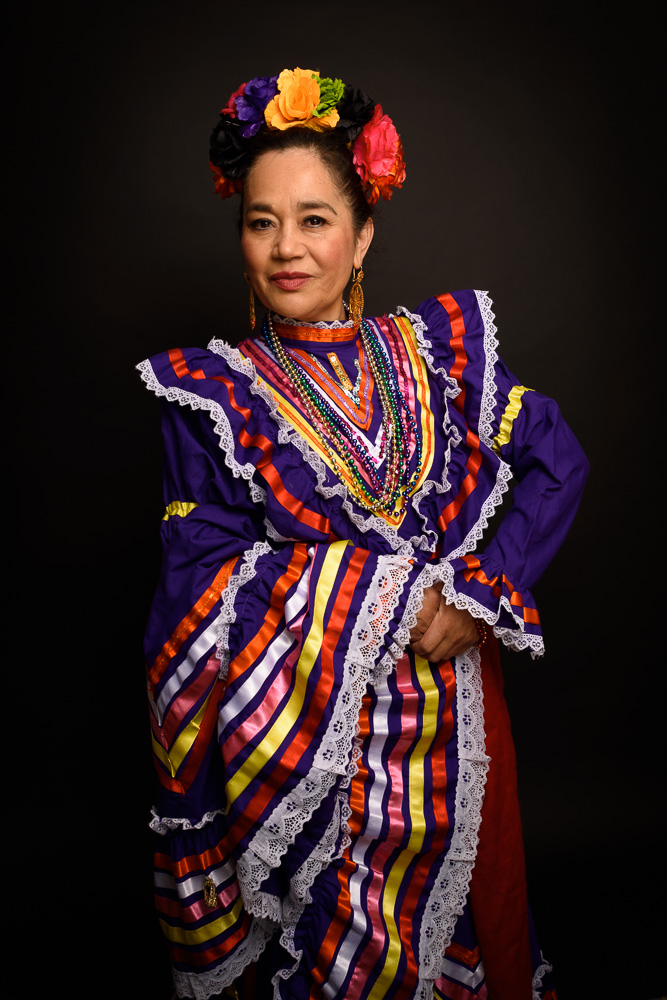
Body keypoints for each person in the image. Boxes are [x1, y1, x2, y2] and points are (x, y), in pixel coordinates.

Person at [138, 67, 588, 1000]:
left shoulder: (435, 359)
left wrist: (479, 596)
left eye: (314, 219)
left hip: (452, 721)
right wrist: (386, 595)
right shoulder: (211, 397)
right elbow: (197, 583)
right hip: (303, 747)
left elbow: (558, 461)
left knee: (469, 936)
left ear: (363, 232)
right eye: (261, 222)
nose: (286, 248)